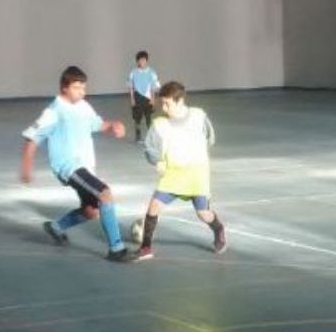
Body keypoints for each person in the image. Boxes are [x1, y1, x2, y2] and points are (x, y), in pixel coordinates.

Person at [21, 66, 132, 262]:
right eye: (77, 87)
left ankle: (56, 227)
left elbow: (98, 124)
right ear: (64, 87)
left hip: (85, 166)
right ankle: (116, 248)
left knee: (91, 211)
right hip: (69, 166)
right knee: (105, 194)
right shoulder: (53, 111)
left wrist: (113, 125)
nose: (82, 92)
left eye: (84, 88)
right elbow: (33, 138)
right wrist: (26, 168)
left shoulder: (83, 106)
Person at [135, 81, 226, 261]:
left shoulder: (198, 116)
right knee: (154, 206)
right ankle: (146, 247)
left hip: (197, 175)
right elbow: (150, 148)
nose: (164, 107)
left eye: (168, 103)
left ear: (180, 101)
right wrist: (157, 161)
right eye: (163, 103)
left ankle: (218, 229)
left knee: (203, 214)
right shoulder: (160, 124)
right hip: (173, 174)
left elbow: (210, 138)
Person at [128, 51, 160, 143]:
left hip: (148, 98)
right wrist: (132, 99)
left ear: (147, 60)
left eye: (144, 60)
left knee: (148, 118)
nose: (142, 62)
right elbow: (130, 87)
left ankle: (151, 137)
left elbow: (154, 86)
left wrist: (153, 99)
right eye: (140, 60)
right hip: (137, 97)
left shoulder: (152, 72)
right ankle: (138, 136)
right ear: (137, 62)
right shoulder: (133, 72)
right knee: (137, 118)